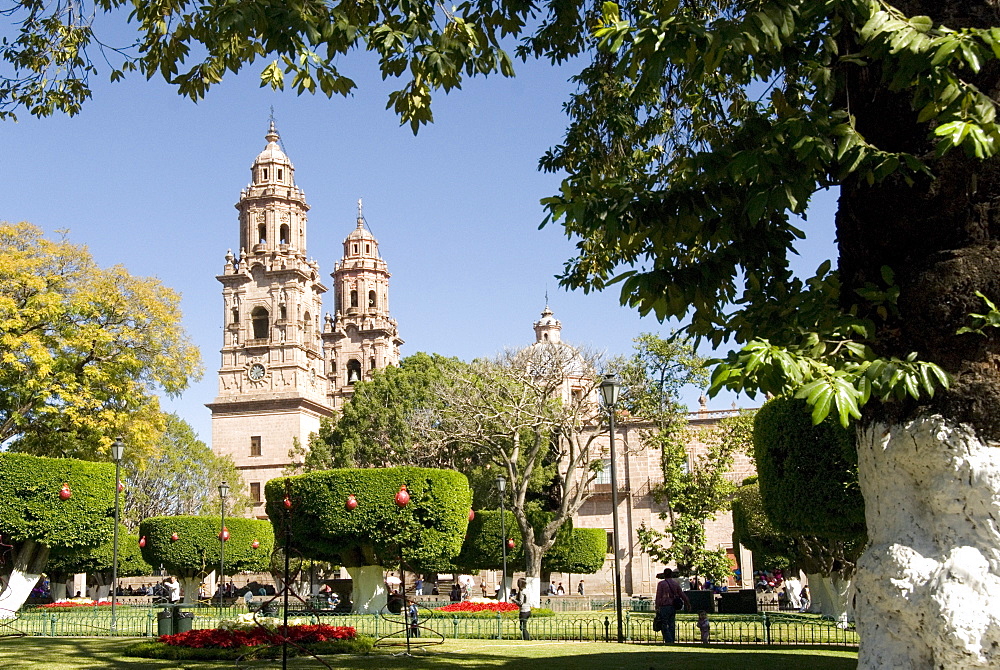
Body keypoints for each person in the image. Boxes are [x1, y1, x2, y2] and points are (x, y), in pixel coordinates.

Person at [654, 568, 690, 644]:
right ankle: (672, 639)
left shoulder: (661, 584)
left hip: (664, 606)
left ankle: (668, 640)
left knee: (664, 623)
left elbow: (658, 596)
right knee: (671, 623)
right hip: (673, 606)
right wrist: (687, 603)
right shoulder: (675, 583)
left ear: (664, 574)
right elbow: (681, 594)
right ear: (671, 574)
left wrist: (657, 606)